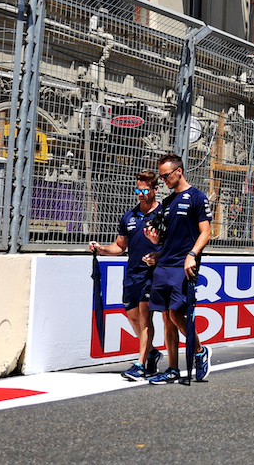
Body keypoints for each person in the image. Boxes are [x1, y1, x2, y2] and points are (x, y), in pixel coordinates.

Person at [143, 153, 213, 384]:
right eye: (161, 177)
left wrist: (193, 255)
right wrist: (155, 248)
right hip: (163, 265)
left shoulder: (197, 197)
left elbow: (206, 232)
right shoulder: (167, 202)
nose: (163, 180)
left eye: (165, 176)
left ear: (178, 171)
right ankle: (172, 368)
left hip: (184, 266)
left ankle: (200, 351)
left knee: (176, 314)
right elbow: (166, 238)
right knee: (166, 318)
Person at [89, 170, 163, 381]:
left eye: (145, 190)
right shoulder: (129, 216)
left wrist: (158, 256)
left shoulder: (162, 214)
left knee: (144, 314)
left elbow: (171, 245)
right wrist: (101, 249)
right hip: (132, 274)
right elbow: (120, 246)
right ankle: (152, 353)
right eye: (138, 189)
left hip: (153, 273)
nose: (141, 194)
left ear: (155, 189)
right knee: (132, 317)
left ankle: (140, 364)